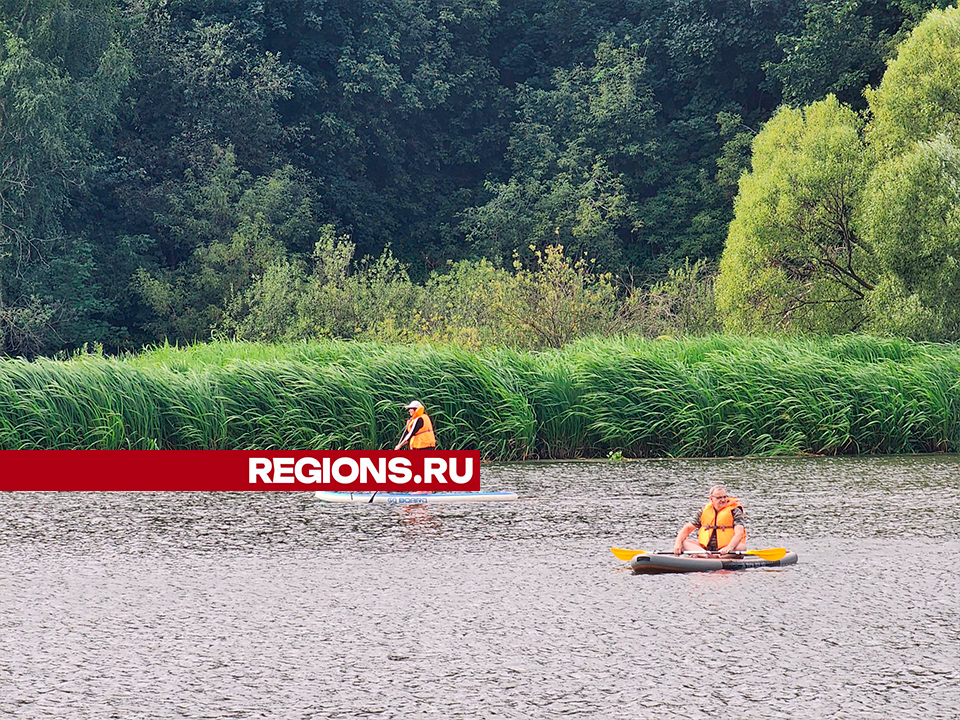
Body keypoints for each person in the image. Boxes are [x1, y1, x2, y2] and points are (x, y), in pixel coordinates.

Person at [673, 485, 747, 555]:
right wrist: (677, 543)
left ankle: (714, 556)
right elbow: (687, 528)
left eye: (725, 497)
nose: (723, 500)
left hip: (726, 549)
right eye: (719, 498)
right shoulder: (704, 510)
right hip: (705, 549)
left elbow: (739, 533)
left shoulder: (735, 511)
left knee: (741, 547)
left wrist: (729, 547)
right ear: (711, 499)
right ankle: (704, 554)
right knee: (684, 542)